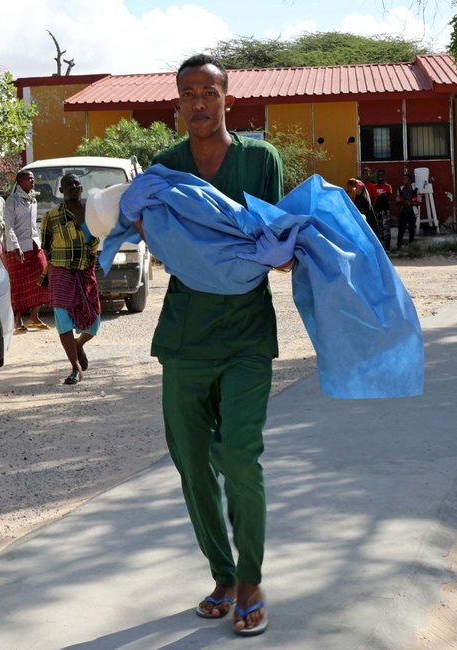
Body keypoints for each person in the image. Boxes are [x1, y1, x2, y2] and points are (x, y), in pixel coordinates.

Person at [139, 53, 287, 636]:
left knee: (239, 456)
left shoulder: (260, 160)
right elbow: (166, 245)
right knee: (193, 465)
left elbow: (263, 239)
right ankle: (222, 574)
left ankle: (250, 577)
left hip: (247, 334)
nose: (199, 102)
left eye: (210, 91)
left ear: (229, 98)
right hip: (185, 338)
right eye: (188, 93)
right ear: (177, 102)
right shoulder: (165, 166)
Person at [40, 173, 100, 385]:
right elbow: (45, 245)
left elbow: (97, 238)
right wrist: (61, 264)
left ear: (81, 188)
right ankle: (75, 368)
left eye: (76, 183)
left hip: (86, 272)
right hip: (61, 273)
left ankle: (78, 344)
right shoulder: (52, 216)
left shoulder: (92, 213)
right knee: (64, 322)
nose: (73, 187)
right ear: (61, 190)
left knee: (94, 322)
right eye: (69, 184)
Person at [3, 170, 49, 332]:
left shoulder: (33, 200)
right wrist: (15, 246)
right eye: (29, 178)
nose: (33, 181)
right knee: (18, 284)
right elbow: (8, 226)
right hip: (18, 247)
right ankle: (17, 320)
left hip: (34, 245)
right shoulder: (12, 201)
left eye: (33, 178)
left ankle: (34, 316)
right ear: (20, 181)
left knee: (43, 278)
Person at [394, 173, 419, 250]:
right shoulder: (400, 189)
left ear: (409, 180)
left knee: (412, 229)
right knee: (401, 229)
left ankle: (411, 246)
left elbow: (419, 202)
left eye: (405, 179)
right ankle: (399, 246)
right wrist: (402, 202)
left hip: (412, 212)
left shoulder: (416, 189)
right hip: (403, 211)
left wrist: (410, 203)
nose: (403, 180)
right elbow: (397, 201)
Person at [371, 169, 393, 251]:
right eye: (378, 175)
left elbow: (391, 198)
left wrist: (382, 196)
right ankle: (379, 249)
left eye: (382, 175)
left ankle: (387, 248)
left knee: (386, 229)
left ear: (384, 176)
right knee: (377, 229)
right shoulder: (374, 186)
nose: (380, 177)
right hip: (376, 211)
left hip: (385, 211)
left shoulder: (388, 186)